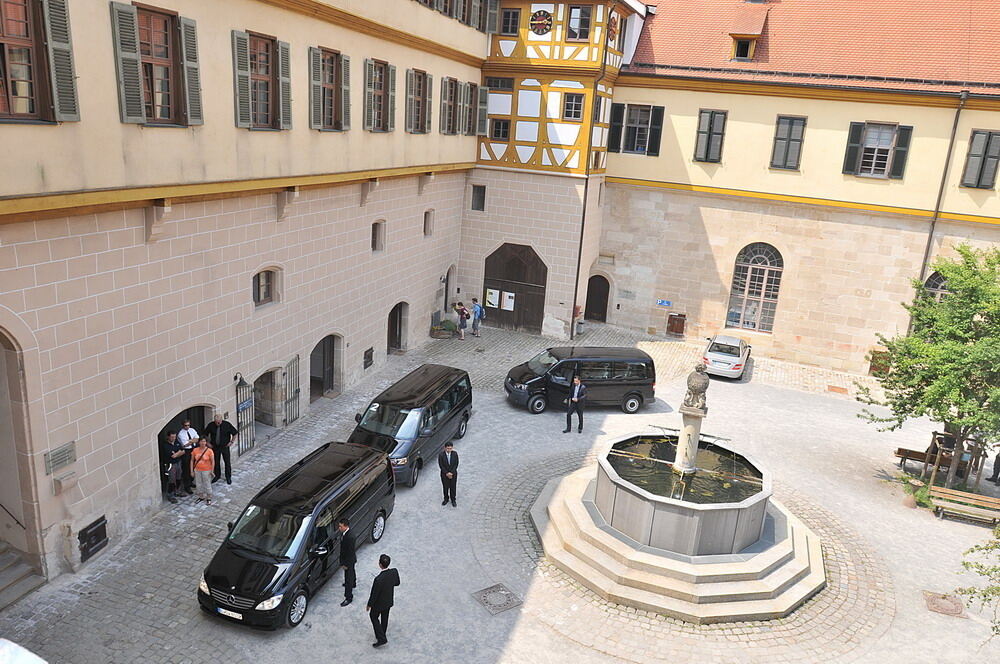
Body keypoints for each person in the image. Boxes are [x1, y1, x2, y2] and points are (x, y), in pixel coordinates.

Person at [366, 554, 400, 648]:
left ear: (380, 564)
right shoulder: (394, 572)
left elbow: (374, 594)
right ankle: (382, 633)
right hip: (388, 601)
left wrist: (369, 604)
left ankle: (381, 638)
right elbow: (397, 583)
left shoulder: (378, 580)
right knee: (385, 618)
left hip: (378, 604)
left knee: (373, 616)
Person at [204, 414, 238, 485]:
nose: (218, 423)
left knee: (227, 462)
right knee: (216, 461)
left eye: (219, 422)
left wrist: (231, 442)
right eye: (216, 422)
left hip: (224, 446)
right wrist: (207, 443)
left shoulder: (227, 425)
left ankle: (228, 477)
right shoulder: (211, 425)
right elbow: (204, 434)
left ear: (221, 420)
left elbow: (235, 433)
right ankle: (217, 475)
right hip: (215, 447)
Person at [159, 431, 185, 502]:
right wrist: (179, 452)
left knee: (178, 477)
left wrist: (177, 453)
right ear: (168, 437)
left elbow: (183, 451)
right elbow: (173, 456)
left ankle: (177, 491)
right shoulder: (165, 445)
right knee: (171, 480)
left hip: (178, 463)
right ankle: (170, 495)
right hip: (170, 465)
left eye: (174, 437)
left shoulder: (176, 442)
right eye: (172, 437)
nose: (173, 438)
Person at [190, 437, 215, 505]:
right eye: (201, 441)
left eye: (204, 441)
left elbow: (212, 461)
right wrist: (191, 471)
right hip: (197, 470)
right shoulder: (195, 450)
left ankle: (209, 497)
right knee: (198, 484)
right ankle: (201, 496)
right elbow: (192, 460)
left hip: (206, 470)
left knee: (207, 483)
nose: (203, 443)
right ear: (199, 442)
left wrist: (212, 470)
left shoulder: (209, 451)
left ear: (206, 442)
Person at [177, 420, 199, 493]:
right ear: (183, 426)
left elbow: (198, 438)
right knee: (186, 469)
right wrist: (193, 440)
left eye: (188, 425)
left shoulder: (192, 430)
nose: (187, 427)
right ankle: (187, 486)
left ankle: (191, 481)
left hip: (194, 450)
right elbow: (185, 444)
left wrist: (190, 441)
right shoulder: (181, 434)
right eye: (185, 425)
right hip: (186, 452)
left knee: (193, 466)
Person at [338, 518, 357, 606]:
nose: (339, 528)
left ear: (345, 526)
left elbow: (349, 552)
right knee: (352, 572)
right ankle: (353, 583)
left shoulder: (349, 537)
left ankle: (348, 597)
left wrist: (345, 564)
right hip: (351, 560)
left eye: (340, 526)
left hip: (348, 561)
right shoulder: (347, 534)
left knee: (348, 577)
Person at [438, 441, 459, 507]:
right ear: (445, 448)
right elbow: (441, 465)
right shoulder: (441, 455)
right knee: (445, 487)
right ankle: (446, 499)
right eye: (448, 448)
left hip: (453, 474)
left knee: (453, 487)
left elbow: (456, 464)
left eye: (450, 448)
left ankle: (453, 499)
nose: (449, 450)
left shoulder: (455, 454)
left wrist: (451, 473)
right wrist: (447, 473)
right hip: (444, 474)